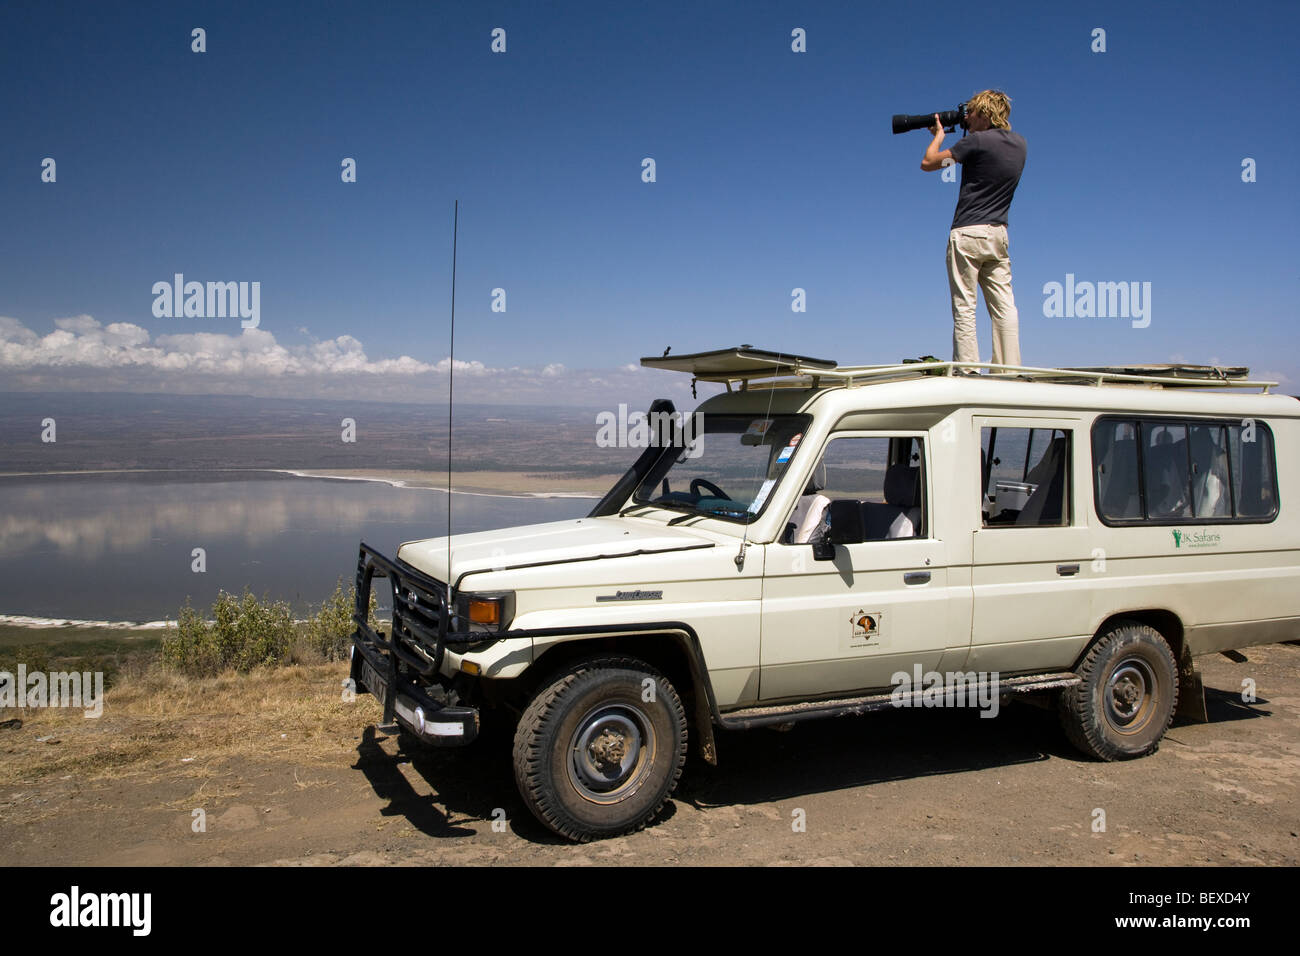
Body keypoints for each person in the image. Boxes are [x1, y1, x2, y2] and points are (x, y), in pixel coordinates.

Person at [920, 90, 1027, 370]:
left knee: (965, 306)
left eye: (972, 113)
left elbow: (929, 164)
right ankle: (1009, 369)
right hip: (999, 234)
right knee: (1004, 307)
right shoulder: (1020, 145)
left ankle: (968, 370)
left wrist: (939, 136)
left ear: (984, 114)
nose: (968, 118)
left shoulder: (976, 142)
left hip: (968, 232)